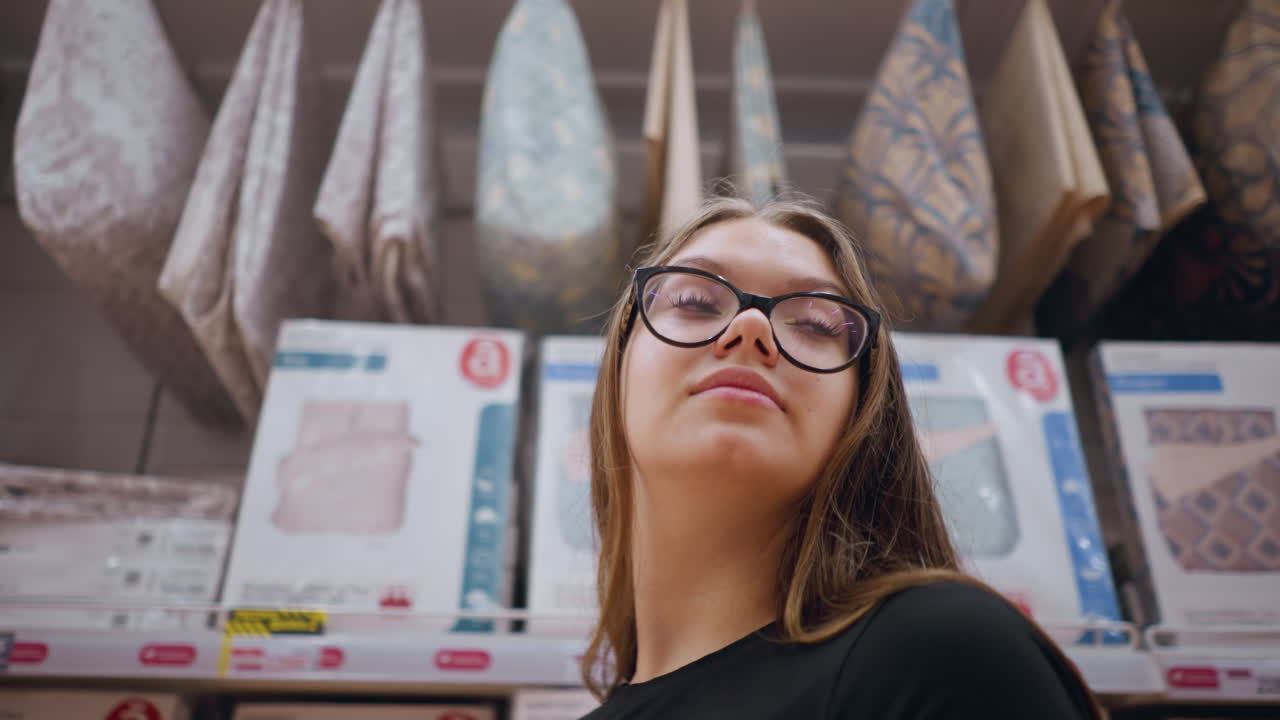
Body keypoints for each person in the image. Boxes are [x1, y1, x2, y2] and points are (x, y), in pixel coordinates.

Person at [578, 196, 1102, 719]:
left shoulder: (943, 656)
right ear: (619, 363)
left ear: (862, 414)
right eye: (694, 300)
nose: (752, 330)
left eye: (816, 325)